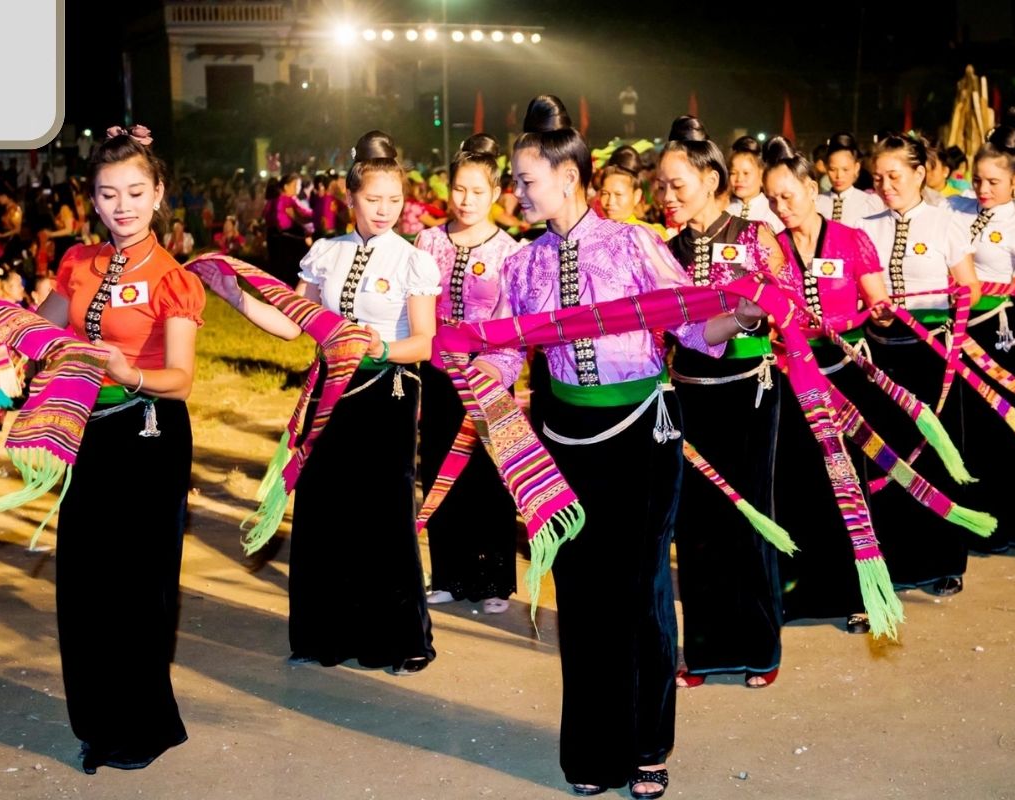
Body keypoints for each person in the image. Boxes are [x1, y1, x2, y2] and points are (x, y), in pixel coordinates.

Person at [473, 96, 765, 799]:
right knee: (581, 595)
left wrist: (744, 314)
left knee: (637, 592)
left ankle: (646, 743)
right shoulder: (522, 266)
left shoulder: (633, 244)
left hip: (640, 438)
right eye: (515, 181)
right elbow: (505, 358)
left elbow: (694, 330)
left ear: (568, 178)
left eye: (525, 179)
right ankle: (595, 752)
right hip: (562, 441)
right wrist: (469, 370)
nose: (517, 191)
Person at [220, 130, 441, 675]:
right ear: (351, 198)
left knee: (385, 515)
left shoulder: (412, 259)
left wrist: (381, 346)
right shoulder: (326, 253)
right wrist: (234, 296)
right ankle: (324, 636)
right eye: (373, 200)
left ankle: (400, 640)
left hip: (385, 393)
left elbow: (425, 342)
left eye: (395, 200)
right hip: (328, 393)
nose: (385, 210)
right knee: (321, 511)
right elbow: (295, 324)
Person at [36, 123, 205, 774]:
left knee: (139, 587)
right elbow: (39, 328)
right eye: (109, 194)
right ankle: (97, 721)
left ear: (159, 193)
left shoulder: (172, 279)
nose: (122, 206)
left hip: (150, 435)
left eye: (136, 191)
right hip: (89, 434)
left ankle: (142, 726)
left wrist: (128, 370)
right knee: (82, 582)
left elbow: (182, 381)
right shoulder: (77, 262)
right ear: (94, 199)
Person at [659, 116, 786, 690]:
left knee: (750, 514)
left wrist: (756, 315)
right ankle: (705, 652)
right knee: (698, 523)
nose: (667, 195)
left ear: (711, 179)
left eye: (677, 184)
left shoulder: (755, 237)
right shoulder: (663, 251)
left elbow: (780, 308)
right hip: (688, 396)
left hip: (749, 391)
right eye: (660, 185)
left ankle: (759, 647)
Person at [761, 136, 893, 634]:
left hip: (845, 374)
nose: (781, 206)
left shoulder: (851, 238)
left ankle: (857, 593)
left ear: (810, 189)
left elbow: (876, 303)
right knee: (796, 482)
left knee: (850, 483)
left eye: (788, 195)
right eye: (773, 199)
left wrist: (880, 315)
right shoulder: (768, 249)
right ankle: (799, 592)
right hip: (793, 376)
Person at [858, 133, 980, 594]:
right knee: (886, 452)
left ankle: (942, 560)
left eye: (894, 176)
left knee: (934, 452)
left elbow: (970, 287)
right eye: (879, 178)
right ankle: (897, 557)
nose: (886, 186)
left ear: (919, 174)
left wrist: (931, 309)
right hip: (881, 352)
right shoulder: (866, 226)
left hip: (930, 355)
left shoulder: (944, 222)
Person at [414, 134, 522, 615]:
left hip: (490, 375)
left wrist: (491, 369)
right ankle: (450, 574)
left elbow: (511, 324)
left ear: (495, 193)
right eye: (459, 189)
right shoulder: (429, 241)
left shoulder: (511, 251)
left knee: (491, 476)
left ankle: (495, 578)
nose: (466, 200)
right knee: (438, 469)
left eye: (478, 191)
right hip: (439, 375)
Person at [945, 112, 1015, 552]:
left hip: (1000, 338)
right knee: (968, 429)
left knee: (1004, 430)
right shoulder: (955, 210)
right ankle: (977, 519)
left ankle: (1011, 521)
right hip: (956, 337)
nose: (983, 189)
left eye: (994, 181)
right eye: (977, 180)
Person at [597, 147, 668, 238]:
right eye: (605, 193)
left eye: (618, 194)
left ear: (637, 196)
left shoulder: (652, 235)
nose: (610, 202)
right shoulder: (592, 234)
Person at [816, 133, 885, 226]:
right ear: (826, 168)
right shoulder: (816, 203)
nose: (839, 176)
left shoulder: (869, 203)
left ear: (856, 167)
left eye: (845, 169)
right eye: (833, 169)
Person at [726, 136, 784, 232]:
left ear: (762, 176)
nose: (739, 179)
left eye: (746, 173)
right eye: (733, 173)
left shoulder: (773, 210)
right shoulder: (723, 210)